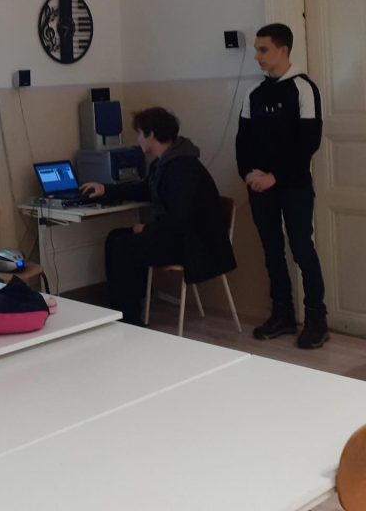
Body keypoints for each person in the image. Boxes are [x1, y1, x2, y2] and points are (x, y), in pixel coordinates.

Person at [81, 107, 235, 325]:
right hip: (178, 235)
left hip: (195, 245)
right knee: (115, 238)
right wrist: (106, 189)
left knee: (124, 246)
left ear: (151, 134)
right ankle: (123, 310)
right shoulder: (165, 162)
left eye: (139, 134)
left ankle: (130, 318)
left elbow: (180, 220)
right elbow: (144, 189)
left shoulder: (182, 169)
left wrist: (146, 229)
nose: (137, 139)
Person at [236, 23, 327, 349]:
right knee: (272, 250)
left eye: (263, 50)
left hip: (294, 186)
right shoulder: (253, 93)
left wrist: (275, 176)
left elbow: (308, 142)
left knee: (302, 249)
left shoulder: (304, 88)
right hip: (259, 188)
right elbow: (243, 141)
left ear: (283, 50)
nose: (257, 56)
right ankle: (283, 314)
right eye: (257, 50)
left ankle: (316, 319)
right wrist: (249, 175)